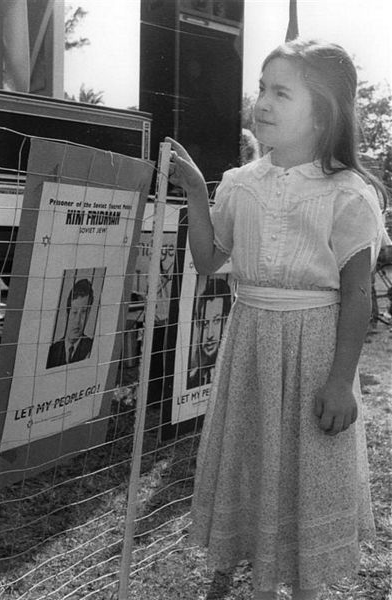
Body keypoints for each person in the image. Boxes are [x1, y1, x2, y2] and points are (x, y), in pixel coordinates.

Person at [166, 38, 390, 600]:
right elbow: (208, 258)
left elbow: (358, 292)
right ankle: (256, 573)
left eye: (281, 92)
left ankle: (303, 585)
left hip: (313, 350)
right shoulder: (241, 183)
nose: (262, 103)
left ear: (323, 112)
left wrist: (342, 381)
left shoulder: (346, 194)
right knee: (254, 460)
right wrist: (197, 190)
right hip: (251, 345)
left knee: (303, 467)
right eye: (262, 89)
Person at [187, 276, 232, 388]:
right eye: (205, 324)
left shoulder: (233, 373)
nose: (209, 335)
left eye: (216, 321)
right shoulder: (192, 377)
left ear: (227, 319)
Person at [46, 278, 94, 369]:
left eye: (83, 312)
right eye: (75, 312)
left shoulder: (92, 348)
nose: (78, 320)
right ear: (67, 313)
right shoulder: (51, 352)